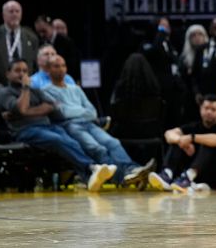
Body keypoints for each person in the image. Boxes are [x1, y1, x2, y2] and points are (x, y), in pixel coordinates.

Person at [0, 59, 115, 192]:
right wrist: (26, 90)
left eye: (25, 71)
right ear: (7, 74)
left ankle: (89, 176)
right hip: (24, 130)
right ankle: (91, 168)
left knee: (71, 141)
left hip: (47, 126)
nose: (22, 74)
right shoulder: (4, 93)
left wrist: (27, 112)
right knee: (58, 140)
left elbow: (53, 106)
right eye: (17, 71)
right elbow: (22, 107)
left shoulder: (35, 90)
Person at [43, 55, 155, 186]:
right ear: (48, 70)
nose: (61, 69)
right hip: (70, 125)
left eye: (63, 65)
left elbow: (92, 112)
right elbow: (62, 113)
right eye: (57, 66)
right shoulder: (46, 91)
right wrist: (81, 111)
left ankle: (132, 170)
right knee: (97, 148)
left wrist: (76, 111)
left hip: (89, 123)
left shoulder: (76, 89)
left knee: (113, 143)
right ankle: (124, 176)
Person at [148, 95, 216, 193]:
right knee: (177, 141)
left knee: (209, 142)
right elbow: (168, 134)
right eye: (206, 108)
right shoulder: (194, 126)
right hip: (199, 173)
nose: (209, 112)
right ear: (200, 109)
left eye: (213, 109)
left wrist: (192, 138)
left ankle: (188, 177)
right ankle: (167, 174)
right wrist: (181, 141)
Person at [34, 15, 81, 82]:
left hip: (63, 77)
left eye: (44, 31)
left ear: (52, 27)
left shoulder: (66, 42)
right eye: (39, 32)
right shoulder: (40, 41)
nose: (41, 35)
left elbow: (73, 64)